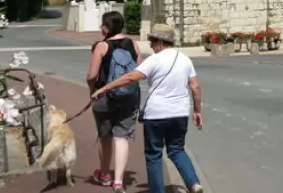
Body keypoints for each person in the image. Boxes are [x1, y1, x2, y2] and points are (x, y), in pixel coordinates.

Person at [92, 23, 204, 193]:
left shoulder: (154, 60)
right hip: (180, 113)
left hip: (157, 114)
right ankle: (194, 183)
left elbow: (130, 77)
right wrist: (197, 111)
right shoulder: (184, 59)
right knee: (176, 150)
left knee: (154, 155)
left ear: (160, 42)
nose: (151, 45)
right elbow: (195, 86)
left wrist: (104, 88)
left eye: (152, 41)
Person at [86, 11, 142, 192]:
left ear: (107, 27)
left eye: (102, 24)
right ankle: (118, 181)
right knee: (122, 136)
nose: (100, 28)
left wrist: (92, 91)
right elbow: (139, 71)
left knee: (105, 137)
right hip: (129, 96)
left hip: (104, 96)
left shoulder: (102, 46)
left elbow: (92, 75)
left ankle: (104, 174)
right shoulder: (133, 44)